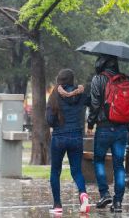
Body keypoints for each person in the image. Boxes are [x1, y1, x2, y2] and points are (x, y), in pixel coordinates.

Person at [87, 55, 129, 213]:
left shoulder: (98, 79)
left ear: (101, 63)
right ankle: (118, 202)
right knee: (119, 166)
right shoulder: (125, 80)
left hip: (104, 127)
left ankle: (104, 193)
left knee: (98, 160)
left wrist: (90, 123)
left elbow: (95, 104)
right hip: (122, 129)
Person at [46, 69, 90, 214]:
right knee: (76, 170)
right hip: (76, 136)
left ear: (59, 80)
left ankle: (57, 205)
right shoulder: (81, 94)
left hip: (59, 137)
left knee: (55, 171)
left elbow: (50, 121)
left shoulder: (54, 95)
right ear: (72, 80)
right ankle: (83, 194)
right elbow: (93, 103)